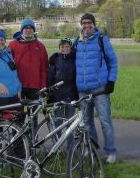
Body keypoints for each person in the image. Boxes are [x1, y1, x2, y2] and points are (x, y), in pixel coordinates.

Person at [74, 13, 118, 164]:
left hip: (100, 89)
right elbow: (70, 60)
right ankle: (91, 148)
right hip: (82, 90)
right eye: (84, 23)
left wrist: (111, 81)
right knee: (86, 122)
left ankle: (111, 151)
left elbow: (113, 61)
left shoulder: (102, 40)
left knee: (105, 121)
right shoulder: (77, 41)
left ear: (94, 24)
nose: (86, 26)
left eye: (89, 23)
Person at [8, 18, 48, 101]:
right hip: (18, 85)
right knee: (17, 112)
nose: (28, 30)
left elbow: (44, 68)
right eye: (25, 28)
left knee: (34, 112)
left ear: (33, 30)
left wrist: (43, 85)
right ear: (22, 30)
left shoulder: (40, 46)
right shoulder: (13, 45)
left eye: (30, 28)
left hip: (35, 85)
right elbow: (8, 66)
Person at [47, 37, 78, 118]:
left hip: (71, 95)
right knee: (58, 119)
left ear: (71, 47)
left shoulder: (75, 58)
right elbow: (50, 77)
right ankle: (58, 131)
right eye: (62, 47)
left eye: (67, 46)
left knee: (70, 119)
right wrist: (50, 94)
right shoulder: (55, 58)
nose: (65, 49)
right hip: (57, 95)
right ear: (59, 48)